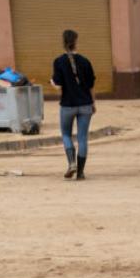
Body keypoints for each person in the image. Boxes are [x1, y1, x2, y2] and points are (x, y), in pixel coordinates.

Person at [51, 29, 95, 180]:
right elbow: (90, 86)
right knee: (82, 138)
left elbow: (57, 85)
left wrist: (52, 82)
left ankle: (71, 163)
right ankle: (81, 173)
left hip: (68, 105)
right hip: (85, 104)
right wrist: (93, 103)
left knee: (66, 134)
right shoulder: (85, 61)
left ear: (63, 42)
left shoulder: (58, 62)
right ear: (76, 41)